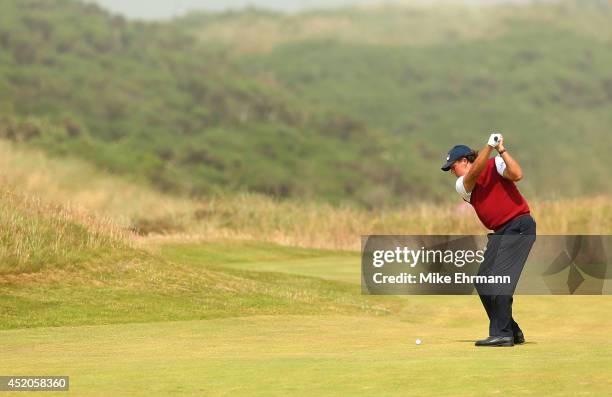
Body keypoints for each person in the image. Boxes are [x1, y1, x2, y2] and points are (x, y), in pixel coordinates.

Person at [441, 133, 536, 347]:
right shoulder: (462, 184)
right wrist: (489, 146)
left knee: (499, 280)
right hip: (500, 232)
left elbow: (517, 174)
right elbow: (474, 174)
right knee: (483, 281)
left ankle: (502, 334)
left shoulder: (497, 163)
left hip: (519, 226)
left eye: (452, 166)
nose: (451, 172)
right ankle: (511, 330)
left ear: (464, 161)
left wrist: (500, 150)